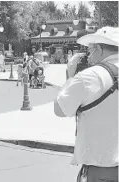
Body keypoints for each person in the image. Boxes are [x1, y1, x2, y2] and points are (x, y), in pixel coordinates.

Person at [54, 27, 118, 182]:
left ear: (99, 48)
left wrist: (70, 75)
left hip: (102, 170)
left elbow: (60, 109)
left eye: (90, 50)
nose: (89, 56)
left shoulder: (90, 76)